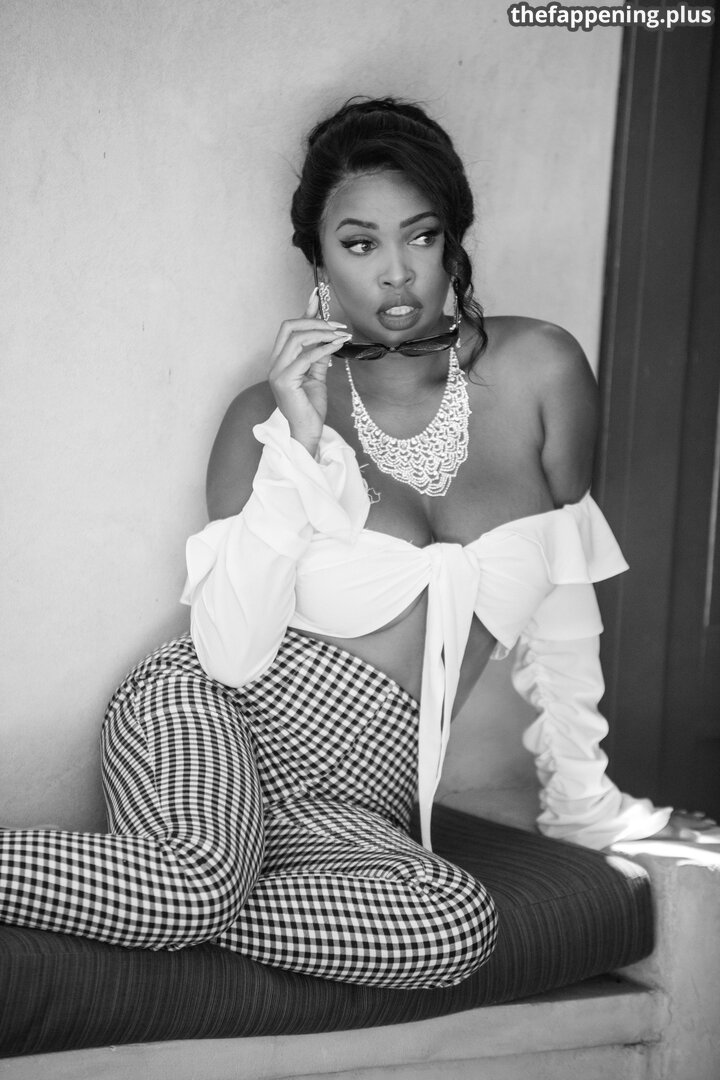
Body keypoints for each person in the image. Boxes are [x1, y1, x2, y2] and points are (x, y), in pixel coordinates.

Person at [0, 97, 715, 993]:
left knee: (451, 924)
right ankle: (181, 897)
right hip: (216, 716)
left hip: (351, 802)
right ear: (320, 260)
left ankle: (166, 905)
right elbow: (229, 653)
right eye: (360, 243)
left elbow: (564, 588)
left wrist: (582, 800)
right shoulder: (266, 415)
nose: (397, 272)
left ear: (452, 239)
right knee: (193, 883)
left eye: (420, 235)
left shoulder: (542, 369)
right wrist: (297, 446)